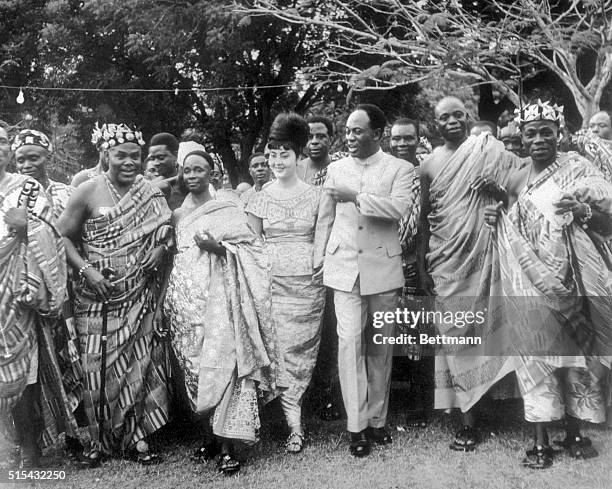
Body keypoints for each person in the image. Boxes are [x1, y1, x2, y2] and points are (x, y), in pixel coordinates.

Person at [485, 100, 612, 468]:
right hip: (528, 282)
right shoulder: (515, 178)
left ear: (561, 134)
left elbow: (606, 211)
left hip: (571, 277)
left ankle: (574, 431)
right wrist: (495, 216)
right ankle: (539, 441)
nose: (539, 139)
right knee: (535, 355)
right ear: (521, 139)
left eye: (546, 132)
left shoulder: (578, 168)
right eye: (531, 133)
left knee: (575, 355)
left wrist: (582, 209)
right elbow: (508, 224)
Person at [58, 123, 172, 466]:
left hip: (139, 294)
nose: (128, 161)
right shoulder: (87, 191)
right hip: (96, 297)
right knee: (95, 367)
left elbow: (166, 230)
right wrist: (86, 270)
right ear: (105, 154)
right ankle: (96, 441)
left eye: (135, 155)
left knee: (139, 363)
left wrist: (161, 248)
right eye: (120, 155)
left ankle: (137, 438)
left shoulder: (149, 192)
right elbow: (61, 236)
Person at [163, 146, 282, 474]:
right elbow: (176, 256)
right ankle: (212, 437)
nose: (192, 176)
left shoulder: (229, 206)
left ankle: (231, 444)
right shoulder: (178, 214)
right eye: (187, 171)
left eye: (199, 170)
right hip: (188, 304)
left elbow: (254, 249)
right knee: (197, 369)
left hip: (224, 300)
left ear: (212, 173)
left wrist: (218, 247)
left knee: (226, 366)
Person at [417, 96, 519, 452]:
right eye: (445, 117)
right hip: (446, 262)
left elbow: (521, 190)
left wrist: (499, 195)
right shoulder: (428, 165)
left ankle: (491, 406)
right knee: (456, 337)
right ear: (436, 123)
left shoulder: (487, 149)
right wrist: (420, 265)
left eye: (459, 115)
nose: (453, 121)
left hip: (485, 256)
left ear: (468, 117)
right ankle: (467, 420)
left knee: (489, 332)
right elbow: (424, 219)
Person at [313, 104, 414, 457]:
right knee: (349, 343)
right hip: (343, 268)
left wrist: (356, 197)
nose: (350, 137)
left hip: (383, 269)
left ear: (378, 133)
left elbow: (397, 209)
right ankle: (355, 427)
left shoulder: (401, 168)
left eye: (358, 131)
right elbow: (325, 218)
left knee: (380, 347)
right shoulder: (336, 168)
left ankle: (377, 420)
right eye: (348, 131)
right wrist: (318, 258)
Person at [246, 113, 324, 454]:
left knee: (299, 353)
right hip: (271, 286)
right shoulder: (259, 198)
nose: (277, 161)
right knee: (276, 351)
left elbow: (323, 240)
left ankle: (295, 416)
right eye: (272, 155)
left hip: (308, 287)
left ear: (299, 155)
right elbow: (252, 244)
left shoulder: (318, 195)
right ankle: (291, 424)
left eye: (284, 155)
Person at [0, 126, 77, 468]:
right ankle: (10, 444)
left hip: (17, 292)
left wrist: (25, 226)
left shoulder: (26, 189)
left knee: (24, 372)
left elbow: (51, 234)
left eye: (1, 141)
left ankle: (30, 447)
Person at [390, 118, 434, 428]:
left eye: (408, 138)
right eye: (396, 139)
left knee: (419, 333)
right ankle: (394, 397)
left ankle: (421, 402)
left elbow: (425, 222)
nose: (402, 144)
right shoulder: (385, 172)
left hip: (416, 261)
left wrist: (419, 264)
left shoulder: (425, 174)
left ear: (418, 139)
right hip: (384, 260)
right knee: (389, 331)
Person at [147, 132, 185, 210]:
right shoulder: (148, 185)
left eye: (161, 157)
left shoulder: (187, 185)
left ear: (176, 156)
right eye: (152, 159)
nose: (155, 163)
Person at [297, 115, 334, 185]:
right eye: (309, 137)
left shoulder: (341, 168)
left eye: (320, 137)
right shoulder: (295, 172)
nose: (314, 141)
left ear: (330, 140)